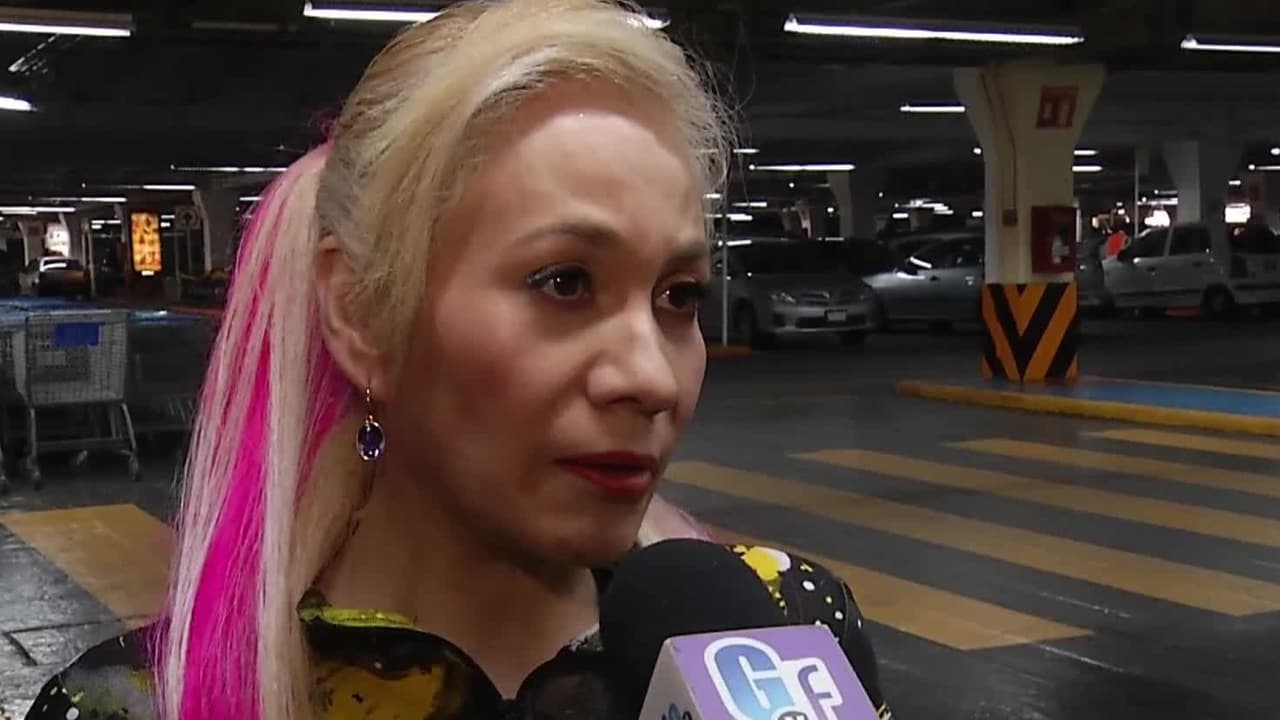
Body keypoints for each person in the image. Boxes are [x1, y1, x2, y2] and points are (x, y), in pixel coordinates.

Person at [25, 1, 893, 718]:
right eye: (564, 283)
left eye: (678, 296)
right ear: (362, 312)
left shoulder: (783, 635)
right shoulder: (136, 705)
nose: (652, 378)